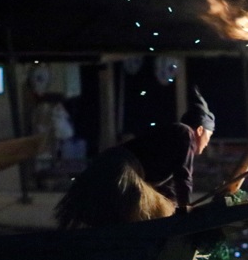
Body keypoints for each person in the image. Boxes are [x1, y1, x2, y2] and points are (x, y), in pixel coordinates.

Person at [54, 88, 215, 228]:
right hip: (120, 171)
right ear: (200, 130)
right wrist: (185, 207)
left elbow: (169, 185)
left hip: (116, 166)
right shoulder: (185, 133)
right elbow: (183, 176)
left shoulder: (174, 138)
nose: (208, 143)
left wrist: (173, 209)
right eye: (209, 136)